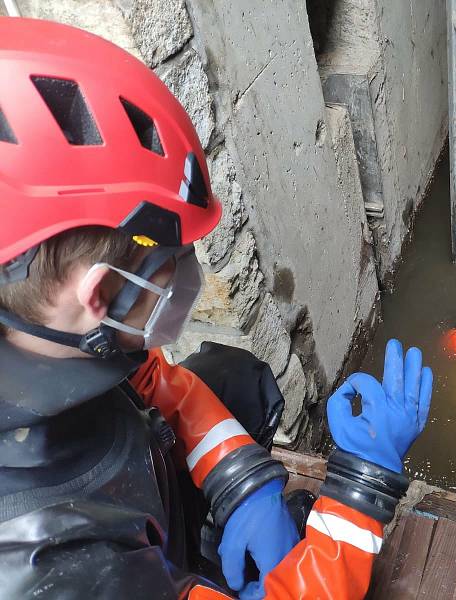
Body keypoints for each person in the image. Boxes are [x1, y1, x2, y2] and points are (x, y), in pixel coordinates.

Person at [0, 17, 433, 600]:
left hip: (130, 499)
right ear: (98, 292)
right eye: (167, 267)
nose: (183, 277)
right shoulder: (57, 570)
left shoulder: (44, 336)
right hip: (123, 562)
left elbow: (149, 379)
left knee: (237, 379)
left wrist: (243, 482)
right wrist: (361, 492)